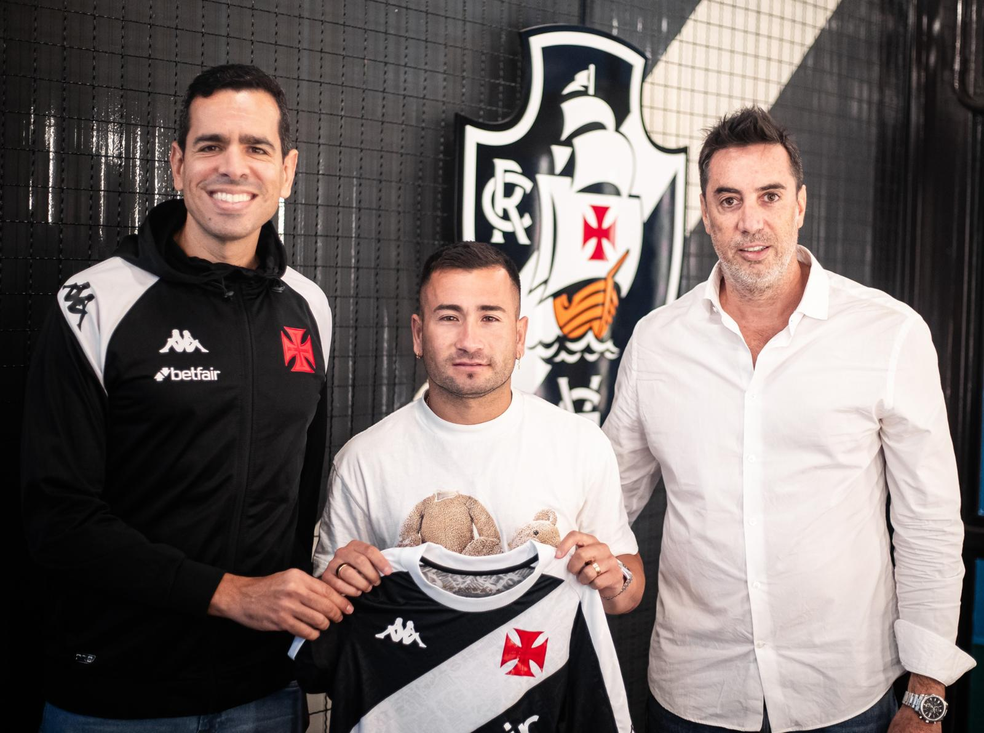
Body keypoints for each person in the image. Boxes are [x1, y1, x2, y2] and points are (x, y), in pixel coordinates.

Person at [602, 107, 975, 733]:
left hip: (845, 695)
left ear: (800, 205)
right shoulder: (656, 342)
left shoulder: (889, 333)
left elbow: (929, 522)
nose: (750, 222)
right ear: (705, 213)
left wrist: (927, 691)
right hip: (696, 693)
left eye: (769, 196)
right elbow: (607, 496)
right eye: (729, 200)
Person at [21, 64, 343, 731]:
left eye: (256, 148)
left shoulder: (309, 306)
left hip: (262, 693)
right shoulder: (94, 302)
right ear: (177, 163)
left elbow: (300, 493)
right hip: (115, 700)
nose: (233, 167)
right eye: (210, 145)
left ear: (286, 172)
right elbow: (58, 518)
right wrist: (229, 594)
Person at [311, 241, 644, 620]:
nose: (469, 341)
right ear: (418, 334)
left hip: (538, 659)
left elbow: (626, 593)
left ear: (519, 337)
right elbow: (329, 600)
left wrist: (614, 579)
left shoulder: (581, 444)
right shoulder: (364, 460)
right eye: (449, 317)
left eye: (489, 318)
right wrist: (338, 582)